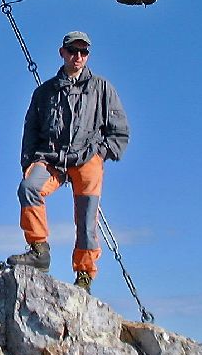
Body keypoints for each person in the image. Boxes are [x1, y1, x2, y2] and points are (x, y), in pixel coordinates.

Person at [7, 31, 130, 292]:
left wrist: (102, 153)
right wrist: (28, 161)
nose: (78, 56)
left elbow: (119, 131)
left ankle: (84, 274)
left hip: (87, 158)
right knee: (29, 188)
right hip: (51, 159)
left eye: (83, 52)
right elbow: (30, 130)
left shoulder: (102, 88)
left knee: (86, 218)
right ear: (62, 52)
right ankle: (39, 250)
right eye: (73, 51)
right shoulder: (44, 92)